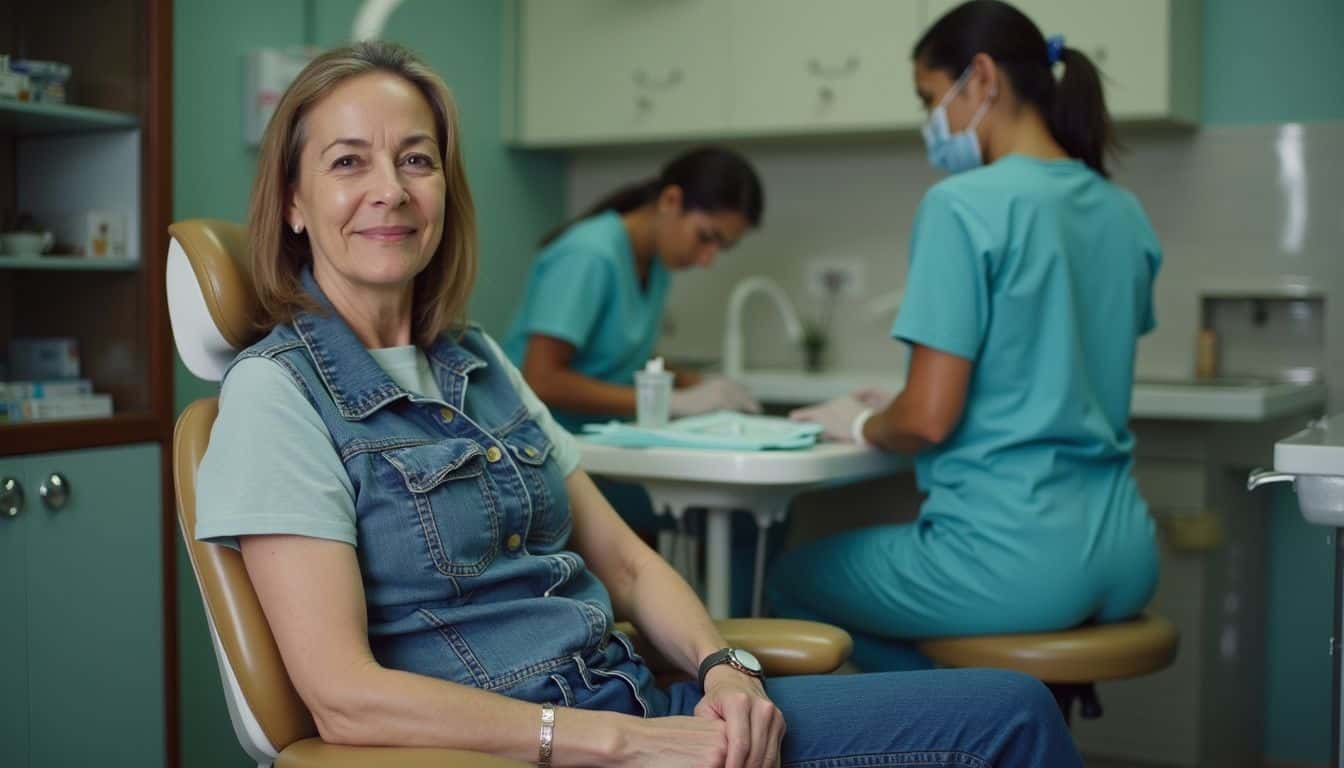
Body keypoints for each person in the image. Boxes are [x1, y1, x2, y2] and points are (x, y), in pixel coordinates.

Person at [195, 40, 1082, 767]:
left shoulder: (478, 363)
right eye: (349, 162)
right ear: (295, 203)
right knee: (1003, 730)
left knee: (1013, 709)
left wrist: (724, 668)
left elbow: (624, 565)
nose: (390, 188)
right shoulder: (277, 396)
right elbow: (343, 699)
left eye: (415, 159)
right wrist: (622, 743)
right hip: (546, 743)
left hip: (643, 702)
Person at [771, 0, 1163, 673]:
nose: (934, 124)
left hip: (1015, 563)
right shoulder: (1123, 211)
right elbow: (1057, 365)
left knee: (783, 585)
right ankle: (1005, 724)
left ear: (981, 80)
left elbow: (926, 419)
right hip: (1127, 554)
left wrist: (864, 422)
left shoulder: (963, 204)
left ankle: (976, 730)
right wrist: (903, 397)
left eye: (932, 99)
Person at [503, 146, 765, 433]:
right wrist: (670, 401)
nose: (707, 260)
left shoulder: (656, 264)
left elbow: (622, 361)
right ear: (670, 200)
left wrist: (694, 382)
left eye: (721, 248)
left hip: (595, 439)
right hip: (532, 444)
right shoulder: (589, 255)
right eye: (705, 237)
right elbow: (542, 379)